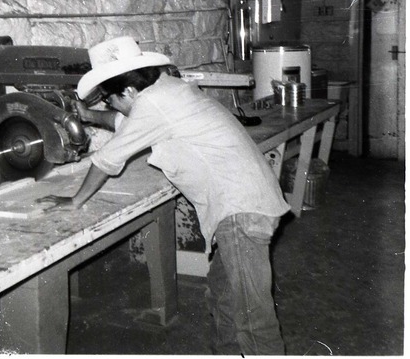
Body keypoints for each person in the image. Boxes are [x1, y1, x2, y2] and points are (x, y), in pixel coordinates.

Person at [37, 36, 290, 355]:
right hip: (248, 203)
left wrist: (75, 200)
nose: (111, 108)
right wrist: (88, 117)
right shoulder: (167, 91)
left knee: (253, 320)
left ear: (128, 91)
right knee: (223, 300)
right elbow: (125, 121)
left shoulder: (152, 103)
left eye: (111, 100)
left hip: (240, 212)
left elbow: (107, 159)